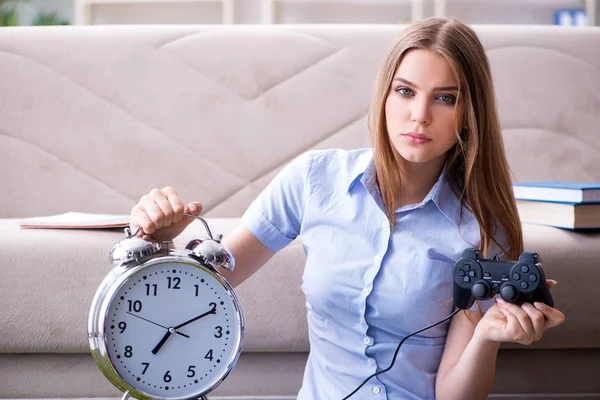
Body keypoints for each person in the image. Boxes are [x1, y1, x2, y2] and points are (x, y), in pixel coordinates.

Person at [130, 17, 565, 400]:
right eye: (405, 91)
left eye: (445, 98)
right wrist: (158, 239)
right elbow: (208, 281)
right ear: (384, 95)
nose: (419, 115)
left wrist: (487, 337)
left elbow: (453, 394)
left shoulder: (481, 228)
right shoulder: (314, 180)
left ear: (470, 113)